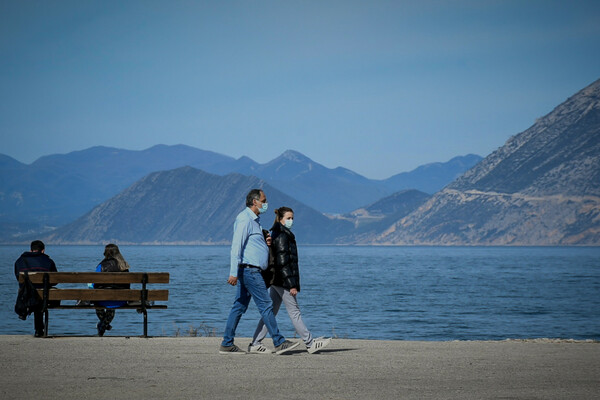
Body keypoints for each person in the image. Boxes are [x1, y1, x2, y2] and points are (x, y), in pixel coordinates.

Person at [220, 189, 299, 355]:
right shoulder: (244, 219)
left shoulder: (255, 221)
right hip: (249, 270)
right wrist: (233, 273)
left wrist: (266, 242)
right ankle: (279, 341)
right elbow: (236, 247)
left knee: (239, 306)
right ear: (255, 201)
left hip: (251, 270)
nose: (266, 203)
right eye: (264, 200)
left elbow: (252, 245)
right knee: (266, 305)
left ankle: (227, 343)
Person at [249, 207, 331, 354]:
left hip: (276, 280)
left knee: (271, 312)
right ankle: (310, 343)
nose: (291, 221)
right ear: (280, 219)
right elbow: (283, 263)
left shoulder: (279, 233)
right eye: (288, 218)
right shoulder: (282, 236)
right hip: (283, 280)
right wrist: (292, 284)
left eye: (292, 218)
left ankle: (255, 342)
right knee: (294, 312)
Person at [14, 240, 58, 337]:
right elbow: (55, 281)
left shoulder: (20, 260)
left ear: (31, 250)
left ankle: (35, 325)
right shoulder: (48, 261)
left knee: (34, 295)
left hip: (26, 296)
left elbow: (18, 278)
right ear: (43, 250)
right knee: (41, 296)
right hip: (44, 297)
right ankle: (39, 330)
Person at [93, 243, 130, 337]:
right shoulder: (124, 266)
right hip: (120, 300)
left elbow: (94, 284)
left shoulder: (101, 266)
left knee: (98, 302)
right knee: (112, 303)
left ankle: (103, 324)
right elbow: (127, 285)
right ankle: (104, 325)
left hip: (102, 300)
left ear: (105, 253)